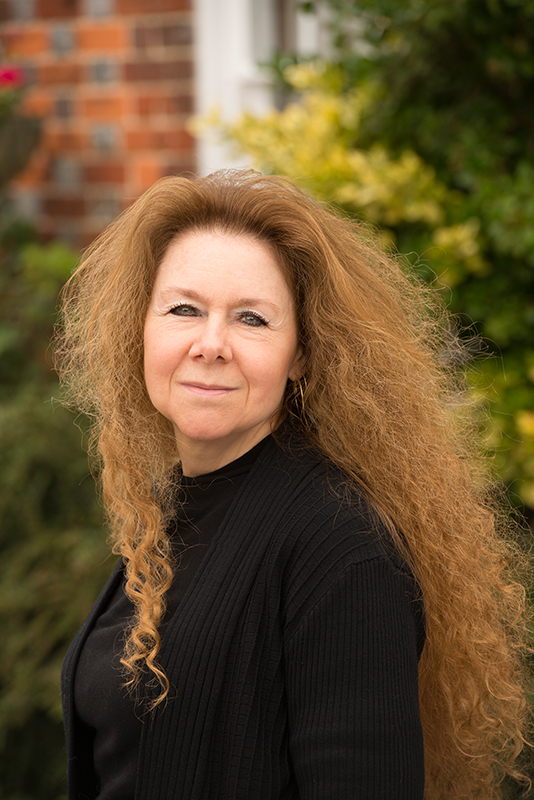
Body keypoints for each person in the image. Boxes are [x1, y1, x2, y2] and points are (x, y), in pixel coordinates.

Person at [56, 170, 531, 800]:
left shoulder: (339, 547)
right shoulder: (175, 505)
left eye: (251, 319)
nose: (211, 343)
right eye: (183, 309)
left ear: (301, 356)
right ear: (139, 328)